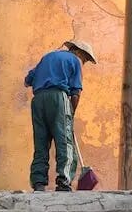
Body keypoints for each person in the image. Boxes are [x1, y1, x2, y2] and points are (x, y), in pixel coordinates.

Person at [24, 40, 97, 192]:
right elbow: (76, 93)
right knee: (64, 141)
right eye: (85, 59)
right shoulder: (75, 61)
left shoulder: (47, 57)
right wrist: (71, 114)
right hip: (58, 97)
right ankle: (64, 181)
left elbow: (27, 80)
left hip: (37, 100)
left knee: (41, 143)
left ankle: (38, 183)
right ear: (79, 52)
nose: (83, 63)